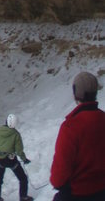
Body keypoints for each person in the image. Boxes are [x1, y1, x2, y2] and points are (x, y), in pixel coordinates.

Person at [50, 71, 105, 201]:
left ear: (75, 93)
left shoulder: (71, 126)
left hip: (77, 193)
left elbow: (59, 174)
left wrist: (58, 183)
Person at [0, 114, 33, 201]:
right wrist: (24, 159)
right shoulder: (16, 134)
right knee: (23, 178)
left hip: (0, 160)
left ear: (6, 121)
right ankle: (23, 197)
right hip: (11, 160)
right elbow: (19, 150)